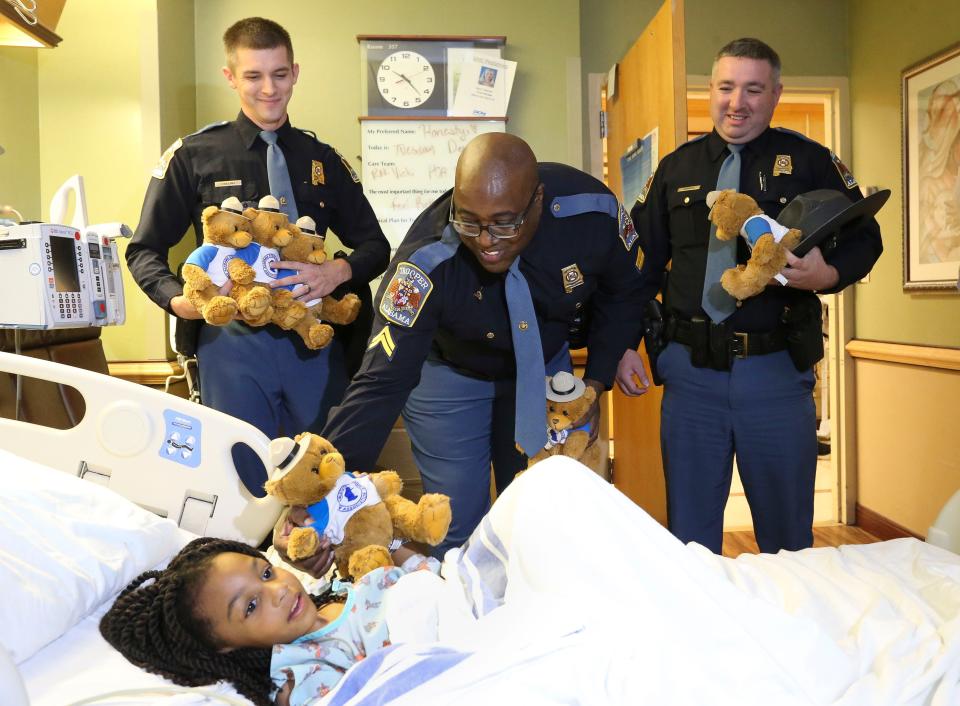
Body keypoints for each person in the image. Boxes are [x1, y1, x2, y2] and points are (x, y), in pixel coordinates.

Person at [617, 37, 883, 555]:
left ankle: (787, 634)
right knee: (689, 542)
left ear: (776, 94)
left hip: (777, 374)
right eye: (726, 87)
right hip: (691, 377)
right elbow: (639, 266)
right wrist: (624, 344)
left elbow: (865, 238)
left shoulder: (810, 161)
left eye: (753, 89)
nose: (737, 102)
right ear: (710, 91)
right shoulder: (677, 168)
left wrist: (823, 274)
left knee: (787, 542)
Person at [321, 132, 646, 552]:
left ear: (538, 200)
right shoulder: (426, 261)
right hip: (448, 374)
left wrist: (596, 381)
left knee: (541, 511)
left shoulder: (593, 213)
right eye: (469, 220)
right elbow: (380, 382)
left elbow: (625, 290)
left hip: (542, 367)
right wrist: (324, 487)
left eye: (504, 222)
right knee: (455, 525)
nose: (487, 240)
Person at [126, 17, 389, 494]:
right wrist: (179, 301)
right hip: (232, 342)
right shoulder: (193, 156)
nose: (269, 89)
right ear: (231, 77)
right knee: (245, 479)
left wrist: (336, 271)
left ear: (295, 72)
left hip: (313, 342)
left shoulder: (323, 160)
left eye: (280, 74)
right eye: (253, 76)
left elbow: (376, 245)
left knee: (320, 476)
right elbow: (143, 249)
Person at [99, 535, 441, 706]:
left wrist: (384, 537)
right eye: (250, 606)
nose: (278, 590)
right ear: (225, 647)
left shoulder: (340, 586)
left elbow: (430, 575)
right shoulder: (302, 671)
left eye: (265, 572)